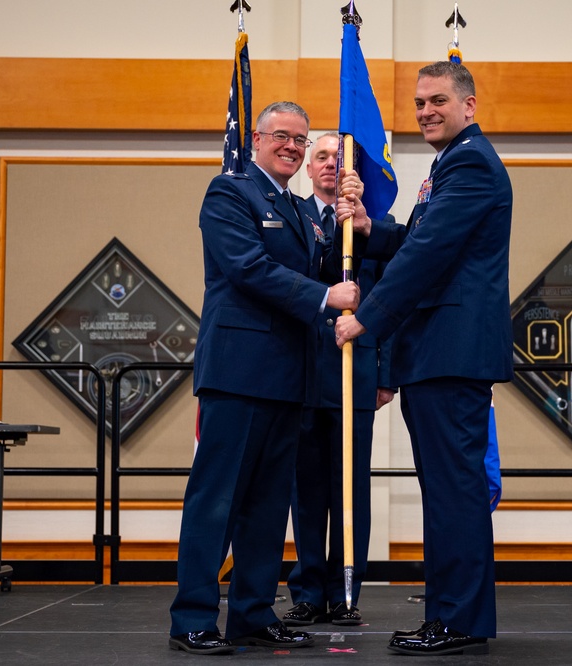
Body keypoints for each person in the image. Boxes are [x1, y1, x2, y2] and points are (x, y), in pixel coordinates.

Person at [168, 101, 366, 655]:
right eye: (283, 136)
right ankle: (192, 619)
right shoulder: (229, 192)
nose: (293, 147)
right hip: (238, 373)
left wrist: (355, 221)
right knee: (216, 500)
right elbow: (248, 267)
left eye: (301, 141)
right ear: (256, 139)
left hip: (289, 378)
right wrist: (326, 296)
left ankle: (252, 614)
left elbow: (333, 266)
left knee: (266, 505)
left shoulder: (301, 211)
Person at [334, 61, 513, 656]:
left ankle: (458, 621)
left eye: (438, 99)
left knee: (454, 489)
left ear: (469, 105)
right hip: (438, 351)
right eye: (418, 102)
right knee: (445, 489)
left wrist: (369, 316)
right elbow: (416, 238)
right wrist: (368, 227)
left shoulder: (469, 161)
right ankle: (451, 615)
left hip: (451, 350)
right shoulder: (450, 164)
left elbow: (430, 254)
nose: (425, 111)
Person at [282, 132, 395, 628]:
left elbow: (396, 302)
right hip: (305, 369)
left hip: (358, 369)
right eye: (322, 156)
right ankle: (307, 590)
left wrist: (387, 372)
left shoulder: (380, 228)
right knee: (306, 490)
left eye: (340, 158)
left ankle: (346, 590)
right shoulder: (291, 219)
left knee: (352, 488)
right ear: (309, 168)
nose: (331, 165)